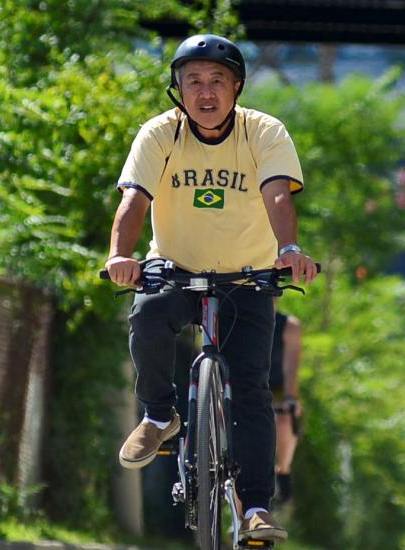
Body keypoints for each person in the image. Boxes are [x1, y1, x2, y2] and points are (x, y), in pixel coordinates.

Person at [105, 33, 317, 542]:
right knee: (147, 318)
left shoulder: (264, 132)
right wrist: (119, 255)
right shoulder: (160, 133)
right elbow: (135, 198)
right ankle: (160, 416)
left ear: (237, 87)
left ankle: (255, 510)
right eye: (193, 81)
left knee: (250, 389)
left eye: (217, 81)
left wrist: (288, 249)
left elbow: (276, 195)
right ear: (177, 87)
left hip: (248, 276)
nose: (205, 92)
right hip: (175, 269)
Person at [270, 310, 302, 505]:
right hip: (240, 388)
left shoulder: (289, 326)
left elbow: (291, 370)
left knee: (286, 417)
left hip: (275, 391)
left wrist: (290, 399)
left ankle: (283, 471)